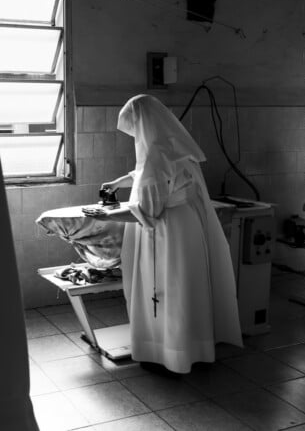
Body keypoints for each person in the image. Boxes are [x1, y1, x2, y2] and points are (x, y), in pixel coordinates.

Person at [89, 94, 242, 374]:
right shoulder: (171, 142)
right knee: (184, 287)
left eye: (134, 129)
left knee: (162, 288)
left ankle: (165, 352)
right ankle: (190, 347)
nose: (134, 136)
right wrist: (119, 182)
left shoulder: (156, 153)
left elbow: (148, 209)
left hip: (165, 233)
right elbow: (150, 174)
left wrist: (106, 214)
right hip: (186, 229)